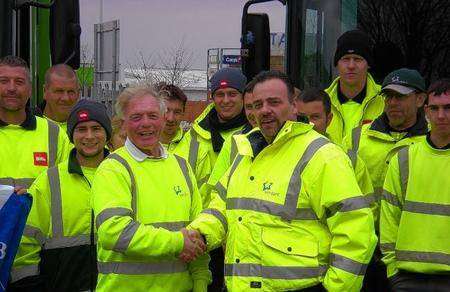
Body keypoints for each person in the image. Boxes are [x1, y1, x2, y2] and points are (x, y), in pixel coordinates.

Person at [189, 71, 377, 291]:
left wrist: (335, 288)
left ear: (294, 106)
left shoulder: (322, 155)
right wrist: (197, 234)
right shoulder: (245, 152)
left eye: (274, 102)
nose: (265, 110)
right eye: (258, 104)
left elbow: (356, 230)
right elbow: (219, 207)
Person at [91, 84, 211, 291]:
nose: (145, 123)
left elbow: (196, 232)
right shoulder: (113, 168)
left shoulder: (182, 166)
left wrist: (200, 281)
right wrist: (177, 242)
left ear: (164, 119)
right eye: (136, 117)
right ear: (124, 123)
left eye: (153, 116)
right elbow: (115, 233)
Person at [13, 100, 111, 291]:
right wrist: (29, 285)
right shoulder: (49, 180)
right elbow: (26, 242)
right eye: (81, 129)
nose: (89, 136)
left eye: (96, 128)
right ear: (71, 135)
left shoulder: (122, 175)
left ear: (107, 133)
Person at [380, 78, 450, 291]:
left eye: (448, 108)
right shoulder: (404, 158)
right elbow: (389, 219)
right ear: (426, 111)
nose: (441, 116)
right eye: (435, 108)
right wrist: (392, 269)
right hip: (407, 278)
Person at [0, 55, 70, 192]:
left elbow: (68, 188)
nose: (12, 88)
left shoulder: (54, 134)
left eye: (19, 82)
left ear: (30, 89)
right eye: (4, 81)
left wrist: (32, 195)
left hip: (39, 214)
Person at [325, 30, 384, 144]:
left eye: (358, 59)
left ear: (369, 64)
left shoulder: (386, 100)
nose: (351, 66)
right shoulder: (321, 101)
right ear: (337, 64)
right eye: (346, 59)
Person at [38, 64, 81, 133]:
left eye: (71, 92)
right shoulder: (28, 125)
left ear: (78, 93)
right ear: (45, 91)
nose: (65, 98)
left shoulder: (87, 129)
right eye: (59, 91)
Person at [157, 83, 188, 151]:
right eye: (166, 110)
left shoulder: (192, 145)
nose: (170, 118)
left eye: (177, 112)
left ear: (183, 113)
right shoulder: (142, 144)